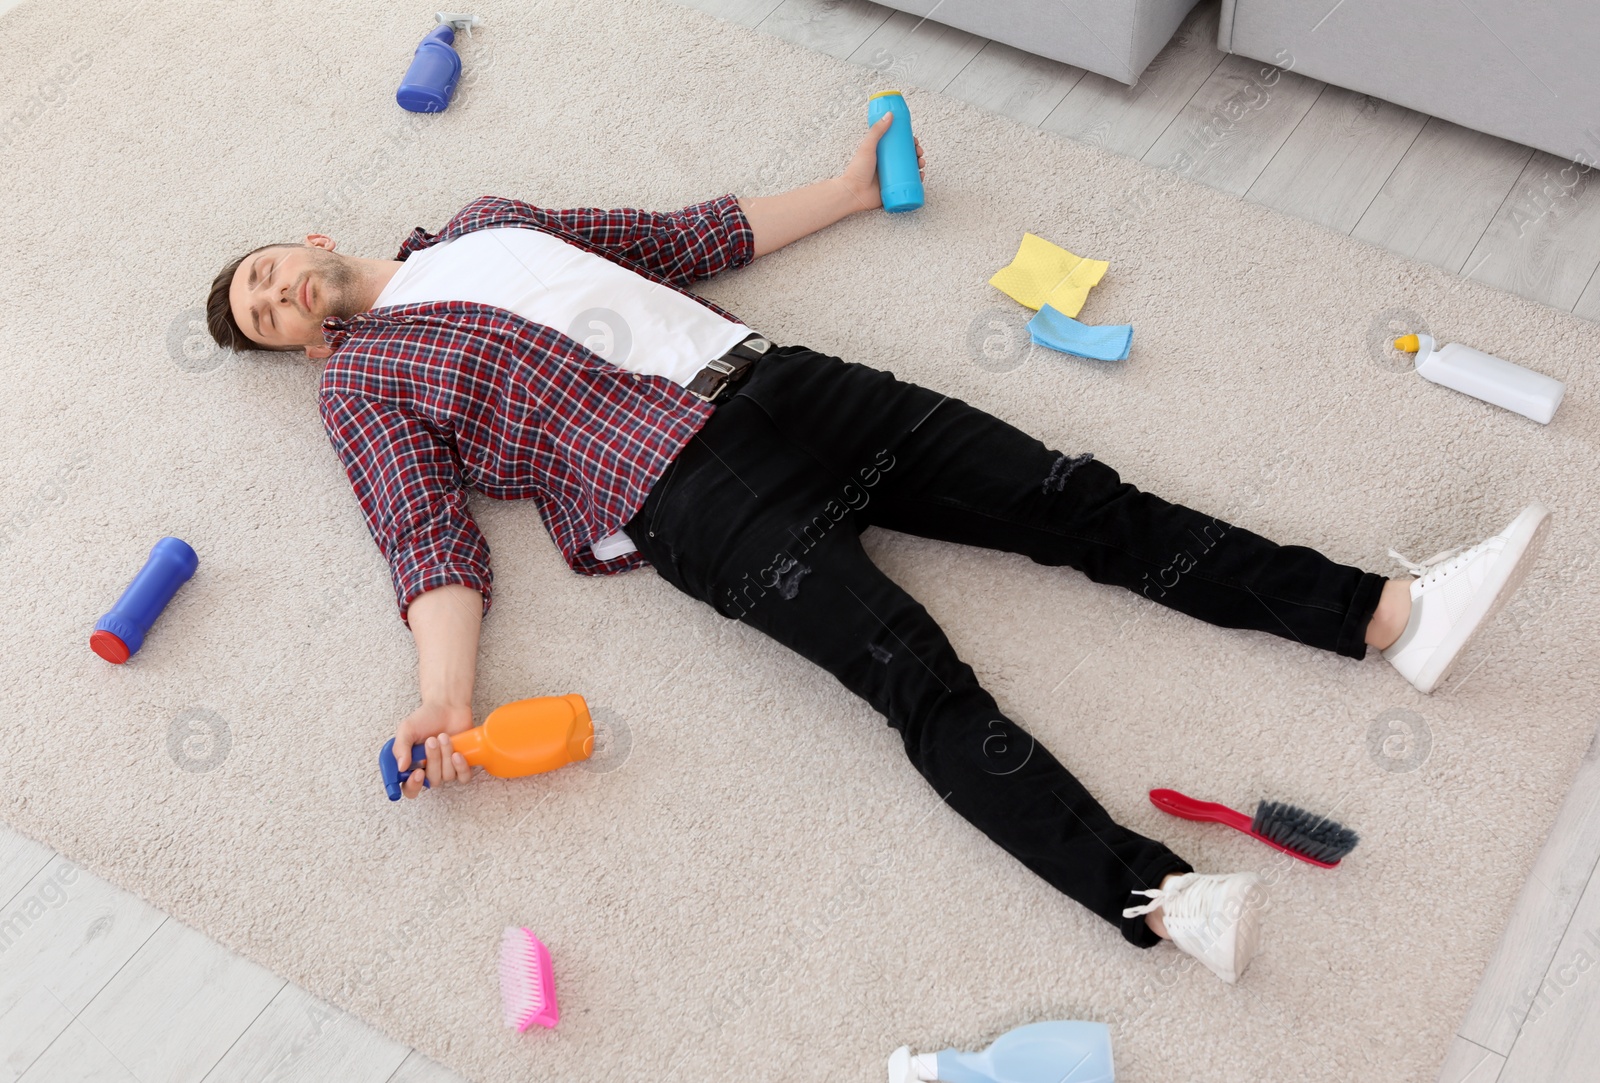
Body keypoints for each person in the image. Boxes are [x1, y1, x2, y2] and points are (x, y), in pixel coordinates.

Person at [206, 113, 1549, 984]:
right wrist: (445, 699)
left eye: (266, 272)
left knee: (1081, 500)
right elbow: (425, 536)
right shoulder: (361, 385)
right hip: (688, 500)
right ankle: (1153, 898)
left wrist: (843, 192)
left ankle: (1389, 618)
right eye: (267, 317)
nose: (276, 296)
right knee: (922, 681)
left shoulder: (488, 219)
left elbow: (677, 240)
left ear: (311, 244)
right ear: (308, 341)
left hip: (785, 385)